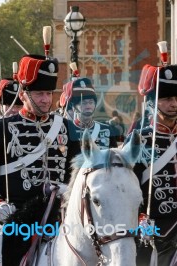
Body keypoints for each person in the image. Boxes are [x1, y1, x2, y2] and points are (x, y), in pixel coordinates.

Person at [0, 54, 79, 226]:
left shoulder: (66, 127)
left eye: (48, 93)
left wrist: (70, 189)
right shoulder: (3, 127)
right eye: (39, 94)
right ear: (22, 95)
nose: (45, 99)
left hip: (61, 217)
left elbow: (79, 171)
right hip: (17, 219)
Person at [126, 63, 177, 266]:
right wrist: (138, 217)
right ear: (152, 102)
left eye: (176, 98)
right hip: (154, 228)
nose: (174, 103)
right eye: (166, 99)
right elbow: (128, 186)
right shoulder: (140, 139)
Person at [66, 77, 118, 149]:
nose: (88, 106)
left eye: (91, 102)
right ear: (74, 107)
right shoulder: (67, 131)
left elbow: (114, 157)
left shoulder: (106, 129)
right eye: (83, 103)